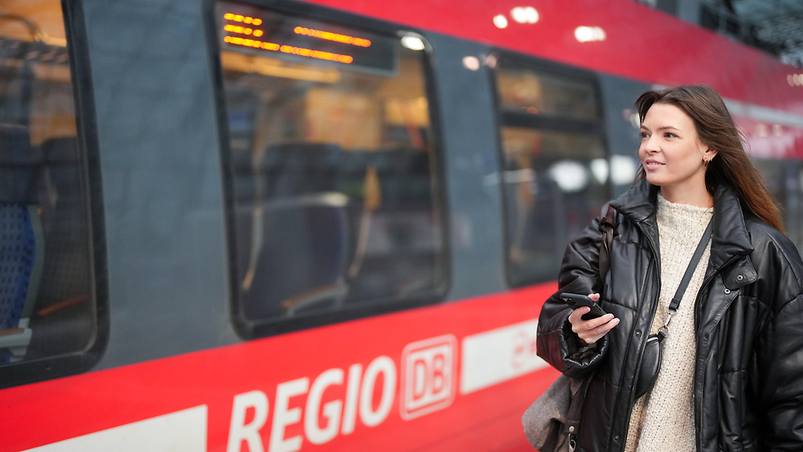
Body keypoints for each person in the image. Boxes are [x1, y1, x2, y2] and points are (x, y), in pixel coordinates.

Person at [536, 85, 803, 451]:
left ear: (709, 148)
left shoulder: (763, 253)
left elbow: (791, 394)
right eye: (645, 134)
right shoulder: (610, 230)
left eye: (669, 135)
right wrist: (575, 330)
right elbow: (554, 323)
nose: (649, 147)